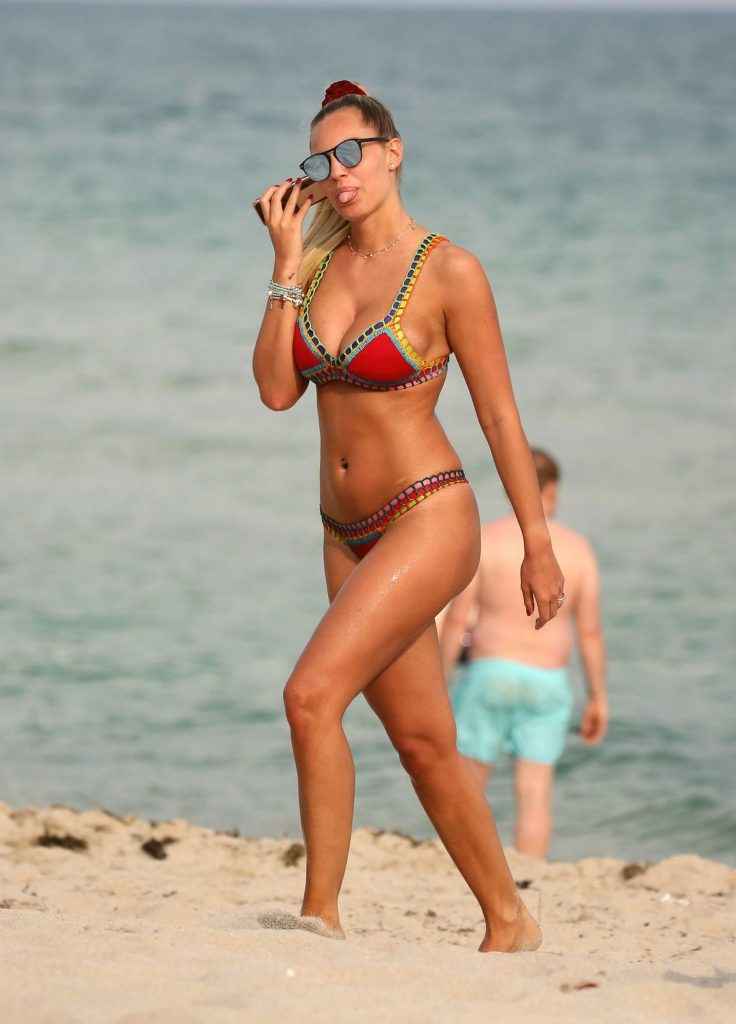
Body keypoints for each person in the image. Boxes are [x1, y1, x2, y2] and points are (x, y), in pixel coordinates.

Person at [252, 79, 566, 954]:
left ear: (394, 153)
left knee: (310, 696)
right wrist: (283, 266)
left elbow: (499, 415)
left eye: (354, 152)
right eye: (322, 160)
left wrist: (536, 543)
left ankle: (318, 916)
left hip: (427, 516)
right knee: (425, 742)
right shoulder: (316, 265)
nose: (340, 171)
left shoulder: (449, 269)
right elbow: (276, 391)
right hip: (343, 534)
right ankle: (510, 920)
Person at [438, 449, 608, 859]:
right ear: (552, 490)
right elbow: (590, 634)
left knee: (470, 783)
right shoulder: (578, 549)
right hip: (546, 679)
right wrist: (598, 697)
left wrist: (439, 682)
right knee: (534, 791)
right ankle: (530, 870)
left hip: (488, 672)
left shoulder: (488, 540)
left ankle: (464, 864)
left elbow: (458, 620)